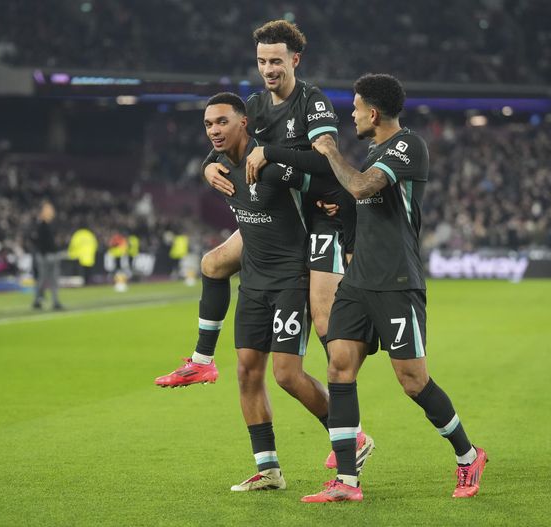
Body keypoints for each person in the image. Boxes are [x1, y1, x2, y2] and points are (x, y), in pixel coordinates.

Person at [301, 74, 487, 503]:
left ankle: (468, 455)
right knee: (339, 367)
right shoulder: (372, 154)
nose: (351, 115)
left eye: (355, 108)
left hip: (396, 282)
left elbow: (363, 186)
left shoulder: (408, 145)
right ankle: (347, 481)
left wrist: (330, 151)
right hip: (358, 281)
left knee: (413, 380)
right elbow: (362, 201)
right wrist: (340, 208)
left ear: (373, 113)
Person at [156, 19, 354, 389]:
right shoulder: (255, 105)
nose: (268, 69)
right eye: (262, 61)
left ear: (295, 60)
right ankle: (202, 361)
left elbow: (327, 162)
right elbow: (226, 144)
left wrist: (270, 152)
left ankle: (345, 403)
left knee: (324, 319)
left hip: (318, 214)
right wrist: (207, 167)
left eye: (276, 61)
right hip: (277, 212)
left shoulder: (312, 102)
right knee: (213, 263)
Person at [196, 93, 372, 491]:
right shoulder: (229, 154)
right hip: (254, 278)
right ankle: (268, 469)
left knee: (287, 374)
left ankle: (352, 434)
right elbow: (219, 145)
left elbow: (327, 174)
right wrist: (206, 167)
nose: (214, 130)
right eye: (208, 124)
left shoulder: (284, 143)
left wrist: (332, 205)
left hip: (291, 272)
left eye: (221, 122)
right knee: (246, 370)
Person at [32, 201, 63, 310]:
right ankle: (37, 300)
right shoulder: (40, 224)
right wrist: (43, 253)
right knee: (43, 279)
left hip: (52, 255)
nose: (51, 211)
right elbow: (39, 241)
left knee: (53, 280)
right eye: (48, 209)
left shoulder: (51, 224)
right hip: (44, 256)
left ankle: (55, 302)